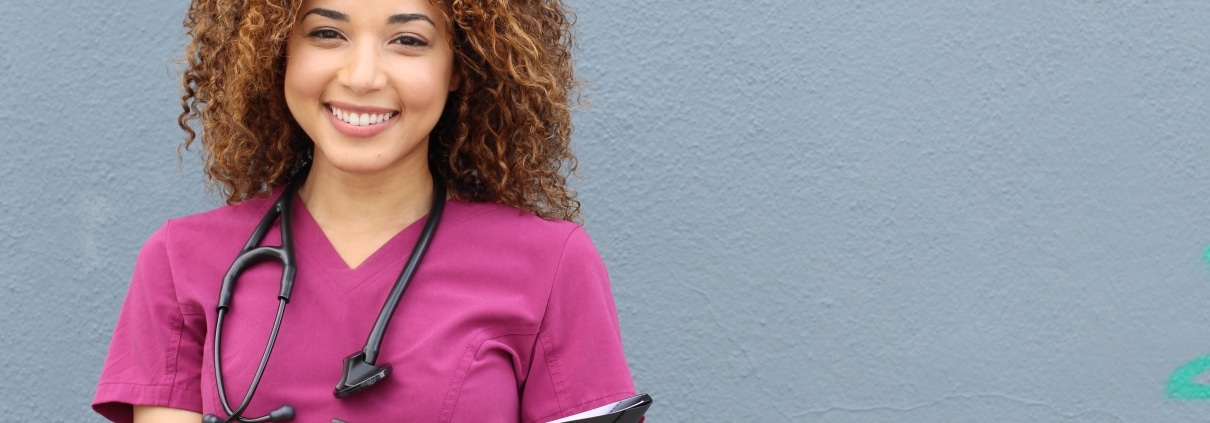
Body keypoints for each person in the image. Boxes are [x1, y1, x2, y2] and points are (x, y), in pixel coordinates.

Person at [92, 0, 640, 421]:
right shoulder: (179, 260)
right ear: (276, 49)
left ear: (459, 64)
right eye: (327, 33)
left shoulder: (550, 263)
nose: (361, 76)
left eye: (408, 39)